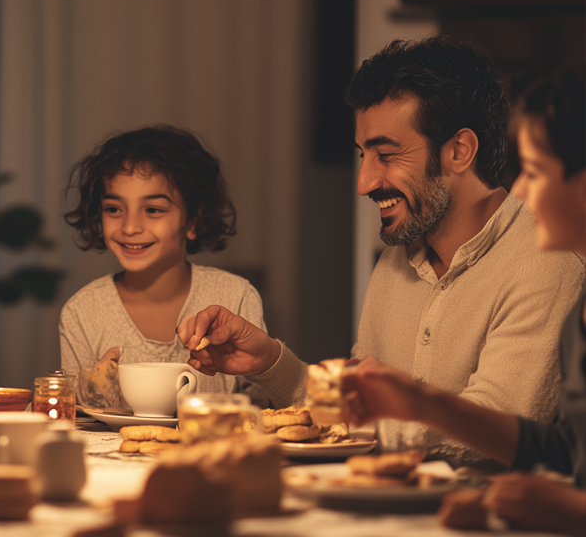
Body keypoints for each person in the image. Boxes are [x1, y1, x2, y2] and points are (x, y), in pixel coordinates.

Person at [177, 37, 585, 464]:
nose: (364, 183)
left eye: (385, 155)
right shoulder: (398, 257)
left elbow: (490, 433)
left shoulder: (546, 261)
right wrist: (269, 362)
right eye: (362, 155)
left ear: (459, 151)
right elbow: (354, 414)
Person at [340, 69, 585, 535]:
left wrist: (573, 511)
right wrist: (417, 402)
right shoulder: (395, 262)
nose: (522, 193)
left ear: (459, 151)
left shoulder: (553, 267)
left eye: (533, 172)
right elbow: (558, 451)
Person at [61, 126, 267, 410]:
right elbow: (71, 416)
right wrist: (96, 391)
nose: (130, 227)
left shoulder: (235, 296)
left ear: (193, 220)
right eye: (113, 209)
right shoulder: (83, 312)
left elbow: (265, 405)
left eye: (153, 210)